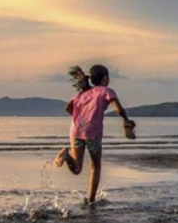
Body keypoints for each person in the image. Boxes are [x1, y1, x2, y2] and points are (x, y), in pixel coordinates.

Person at [54, 65, 134, 204]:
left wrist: (81, 117)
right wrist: (126, 120)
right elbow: (118, 108)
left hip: (76, 130)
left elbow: (68, 107)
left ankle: (66, 156)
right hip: (93, 132)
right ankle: (91, 200)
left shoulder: (82, 93)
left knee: (77, 168)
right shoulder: (106, 91)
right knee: (95, 166)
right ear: (105, 78)